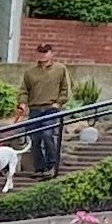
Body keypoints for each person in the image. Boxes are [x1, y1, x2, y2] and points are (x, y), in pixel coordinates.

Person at [19, 40, 72, 177]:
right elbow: (24, 90)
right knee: (34, 139)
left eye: (46, 52)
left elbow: (66, 88)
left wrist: (59, 103)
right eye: (40, 52)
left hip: (51, 109)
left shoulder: (60, 69)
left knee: (47, 135)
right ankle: (40, 168)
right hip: (35, 109)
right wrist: (22, 103)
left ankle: (52, 165)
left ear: (51, 54)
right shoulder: (30, 73)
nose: (43, 55)